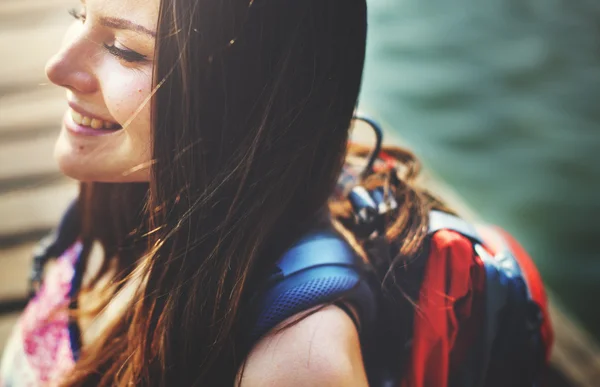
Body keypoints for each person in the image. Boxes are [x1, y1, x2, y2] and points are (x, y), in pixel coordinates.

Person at [0, 0, 552, 386]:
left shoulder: (300, 361)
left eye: (126, 50)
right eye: (80, 14)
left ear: (249, 97)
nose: (57, 67)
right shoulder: (135, 189)